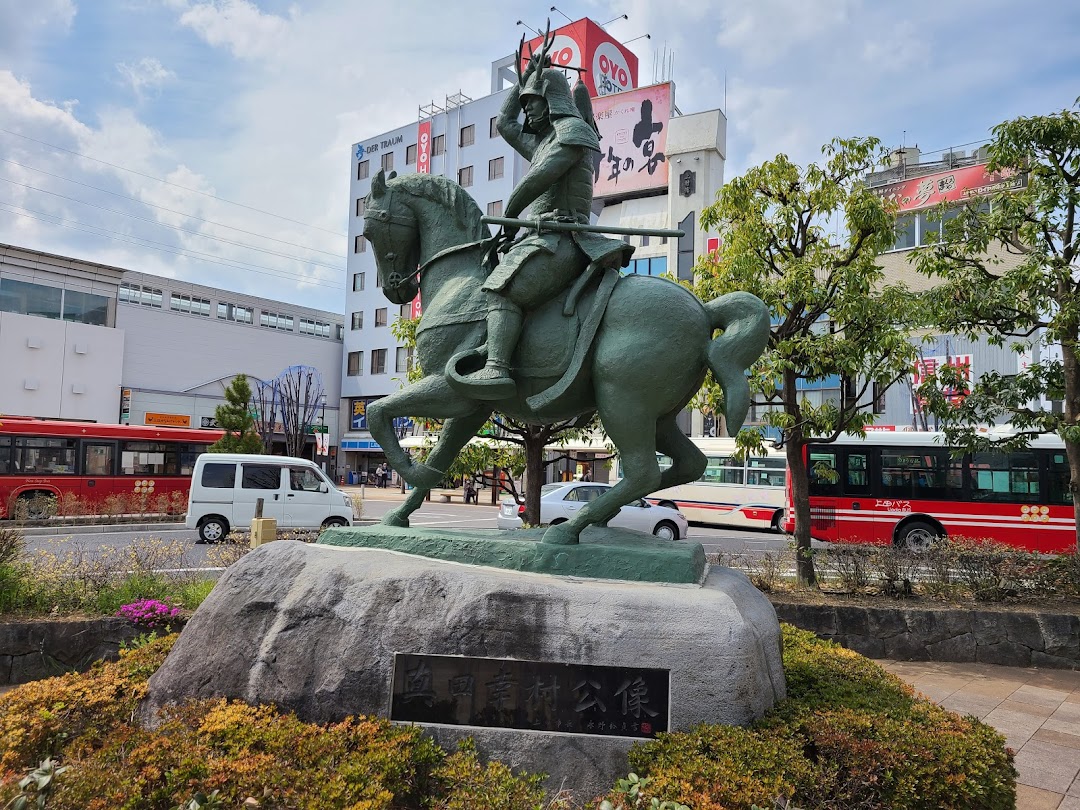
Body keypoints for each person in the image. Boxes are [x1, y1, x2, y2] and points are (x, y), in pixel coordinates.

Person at [458, 33, 632, 399]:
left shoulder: (573, 133)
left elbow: (537, 181)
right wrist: (527, 75)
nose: (528, 111)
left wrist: (508, 214)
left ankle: (497, 369)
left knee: (502, 290)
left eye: (533, 103)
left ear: (552, 100)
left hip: (563, 240)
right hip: (539, 237)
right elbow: (505, 125)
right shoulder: (543, 141)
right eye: (526, 104)